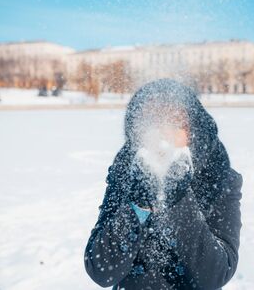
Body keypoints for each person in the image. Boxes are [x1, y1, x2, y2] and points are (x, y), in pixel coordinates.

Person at [84, 79, 243, 289]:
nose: (162, 131)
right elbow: (101, 270)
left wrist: (178, 198)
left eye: (174, 120)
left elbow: (216, 274)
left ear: (193, 129)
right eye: (151, 120)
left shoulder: (217, 174)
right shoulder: (125, 172)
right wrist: (137, 205)